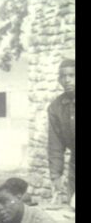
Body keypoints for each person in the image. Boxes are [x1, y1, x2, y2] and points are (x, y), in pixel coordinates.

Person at [48, 53, 75, 203]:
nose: (68, 80)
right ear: (59, 80)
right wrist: (55, 176)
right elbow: (55, 145)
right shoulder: (55, 107)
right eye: (64, 76)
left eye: (72, 75)